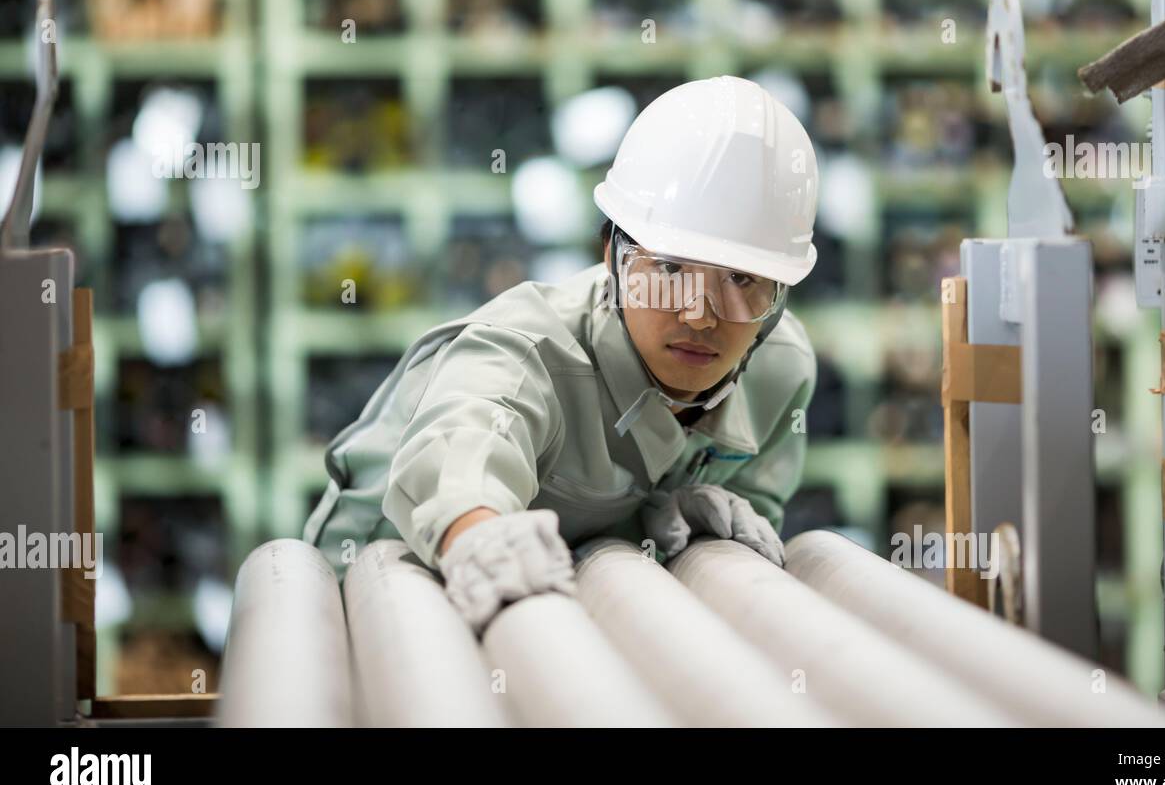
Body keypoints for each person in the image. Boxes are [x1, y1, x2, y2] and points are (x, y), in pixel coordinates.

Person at [303, 75, 820, 633]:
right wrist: (478, 534)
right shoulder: (528, 351)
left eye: (742, 279)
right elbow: (462, 450)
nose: (700, 313)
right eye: (669, 269)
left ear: (779, 292)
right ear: (612, 257)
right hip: (372, 626)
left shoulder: (779, 372)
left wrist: (669, 530)